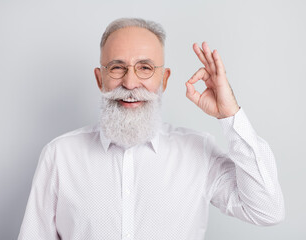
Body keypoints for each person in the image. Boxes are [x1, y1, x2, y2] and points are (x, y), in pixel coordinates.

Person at [17, 18, 284, 240]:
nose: (131, 83)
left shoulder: (198, 150)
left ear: (163, 80)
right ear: (100, 79)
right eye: (117, 67)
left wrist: (230, 114)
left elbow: (266, 210)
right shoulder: (60, 155)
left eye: (145, 68)